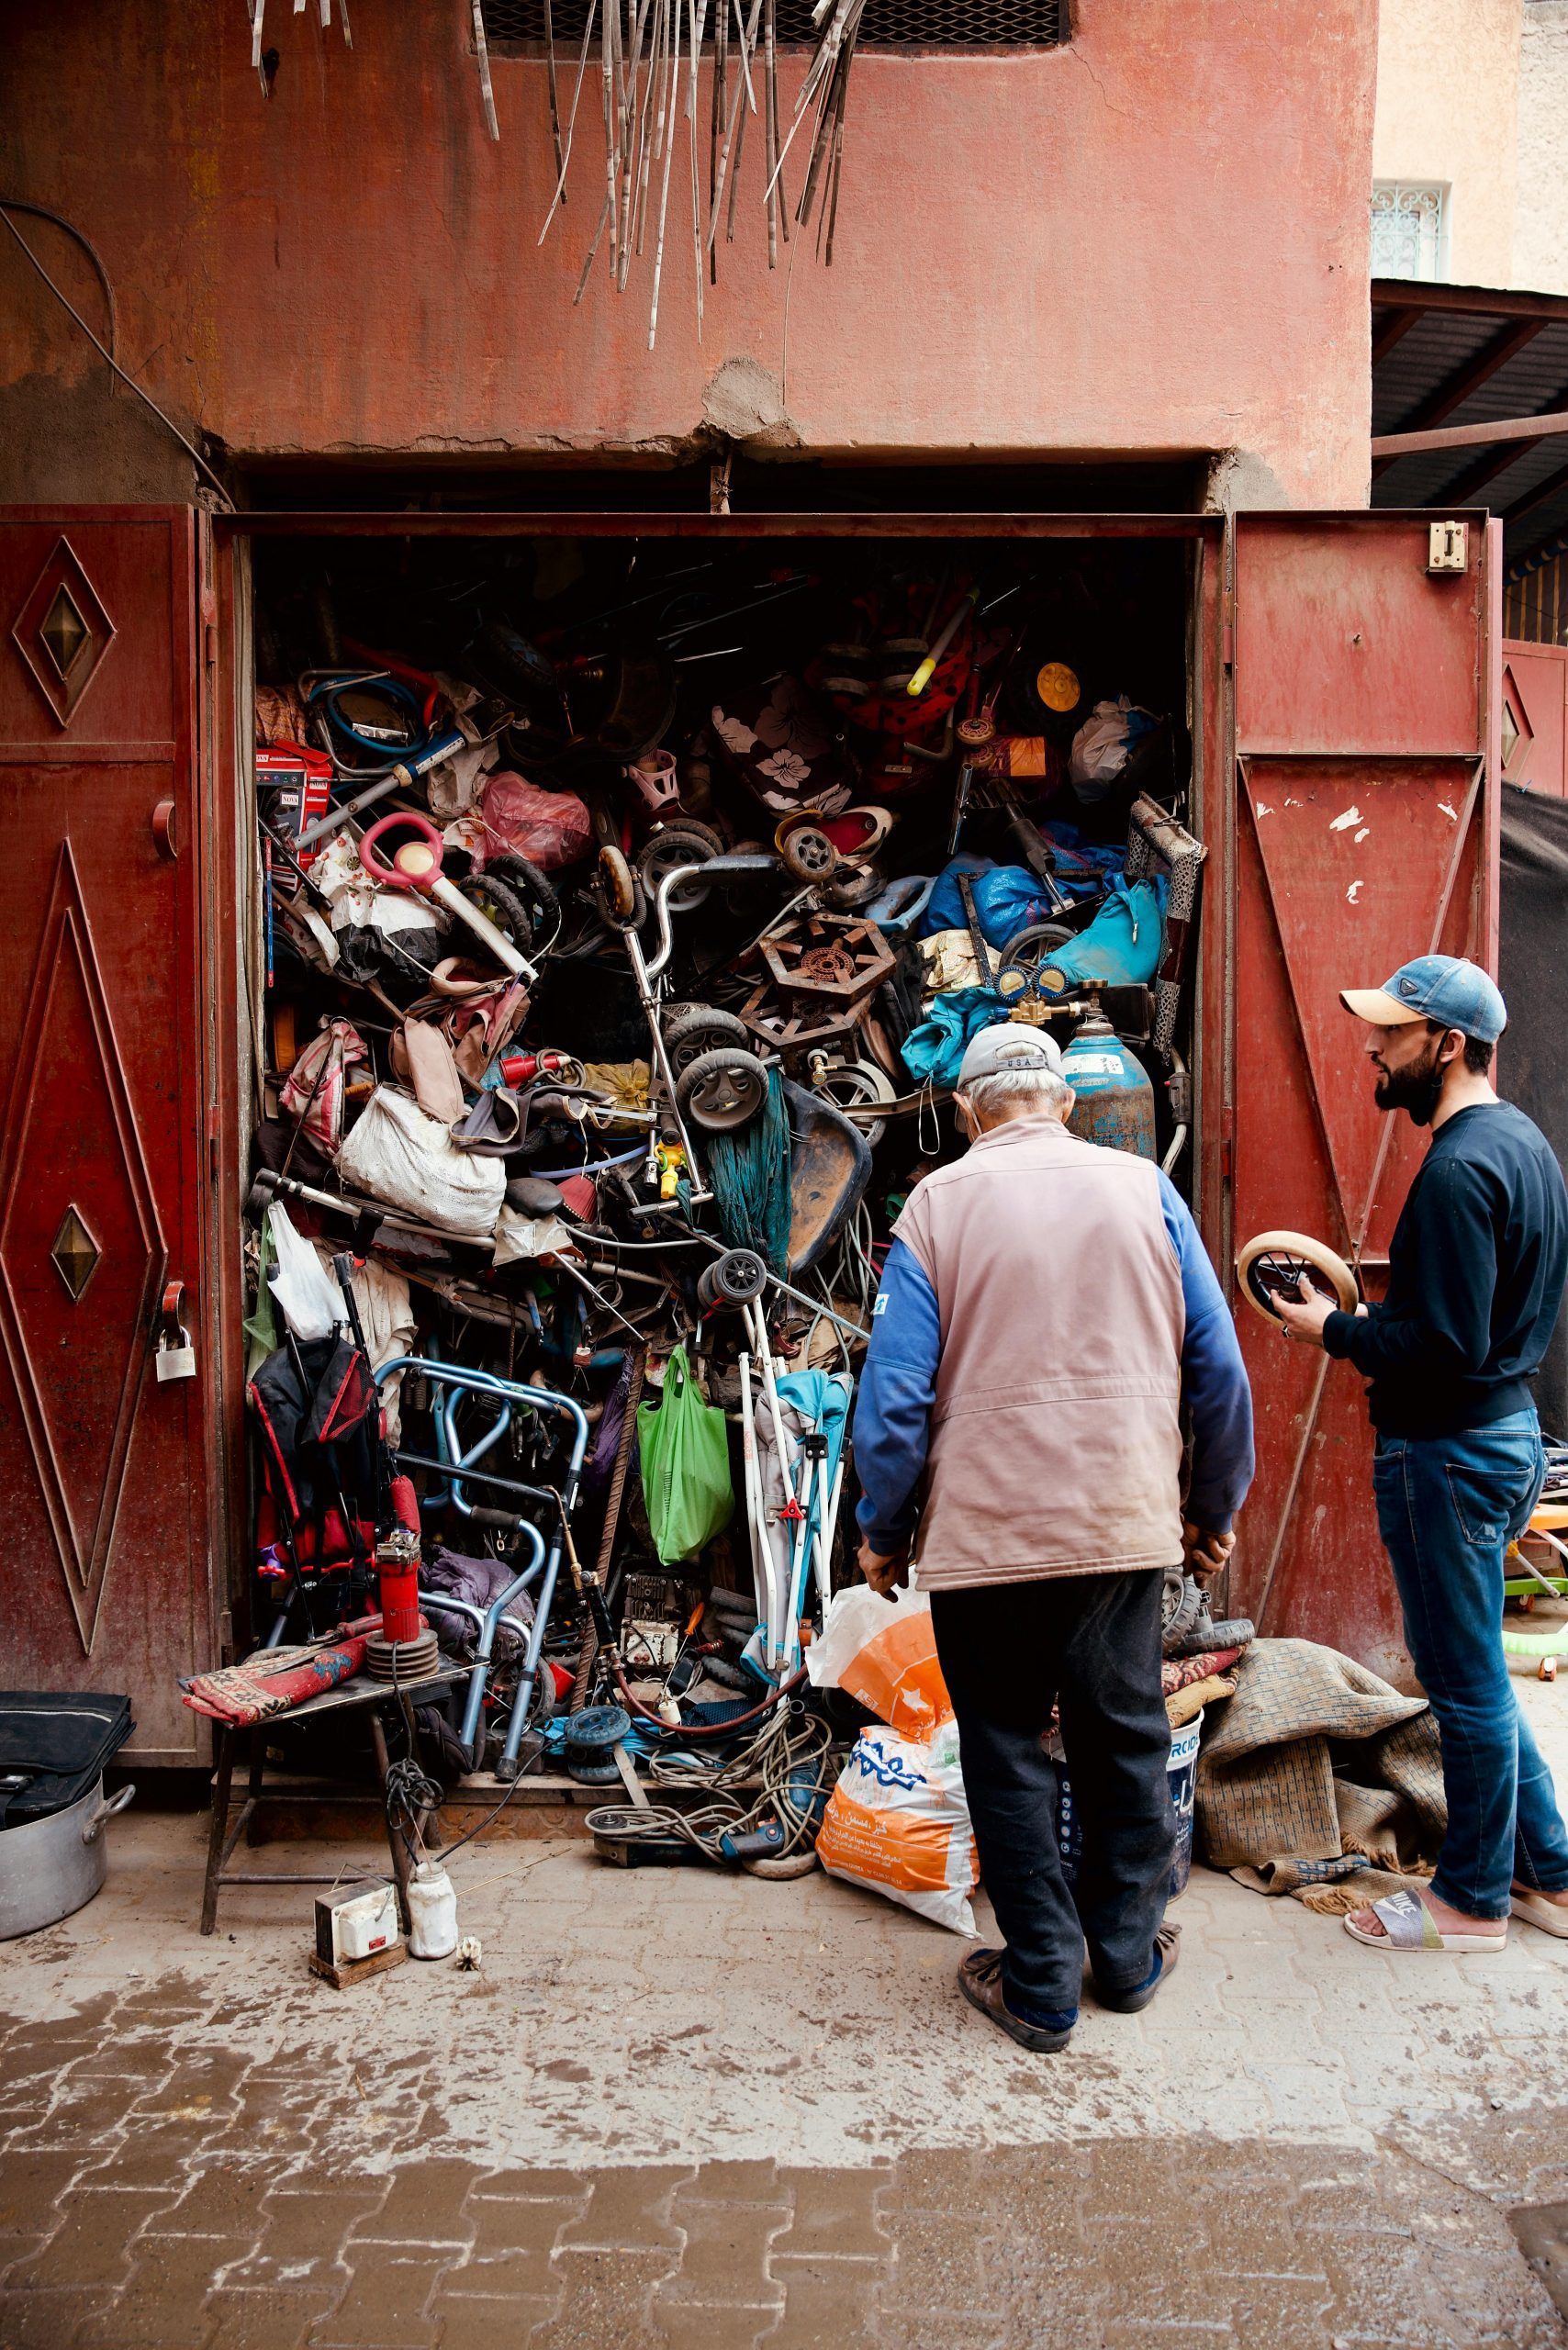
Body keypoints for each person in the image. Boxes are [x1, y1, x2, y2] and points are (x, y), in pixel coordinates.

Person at [851, 1023, 1254, 2052]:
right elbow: (1219, 1371)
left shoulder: (935, 1204)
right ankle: (1121, 1962)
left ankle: (1037, 1986)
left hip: (986, 1539)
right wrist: (1210, 1509)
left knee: (1003, 1748)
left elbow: (892, 1399)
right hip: (1121, 1525)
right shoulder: (1142, 1189)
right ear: (1062, 1102)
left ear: (966, 1110)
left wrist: (881, 1530)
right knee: (1124, 1739)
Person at [1273, 954, 1568, 1954]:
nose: (1371, 1046)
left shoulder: (1453, 1169)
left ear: (1446, 1043)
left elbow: (1442, 1348)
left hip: (1446, 1450)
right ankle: (1552, 1875)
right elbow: (1472, 1327)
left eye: (1391, 1032)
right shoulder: (1522, 1144)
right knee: (1480, 1671)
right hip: (1502, 1430)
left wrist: (1334, 1331)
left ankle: (1472, 1899)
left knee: (1464, 1686)